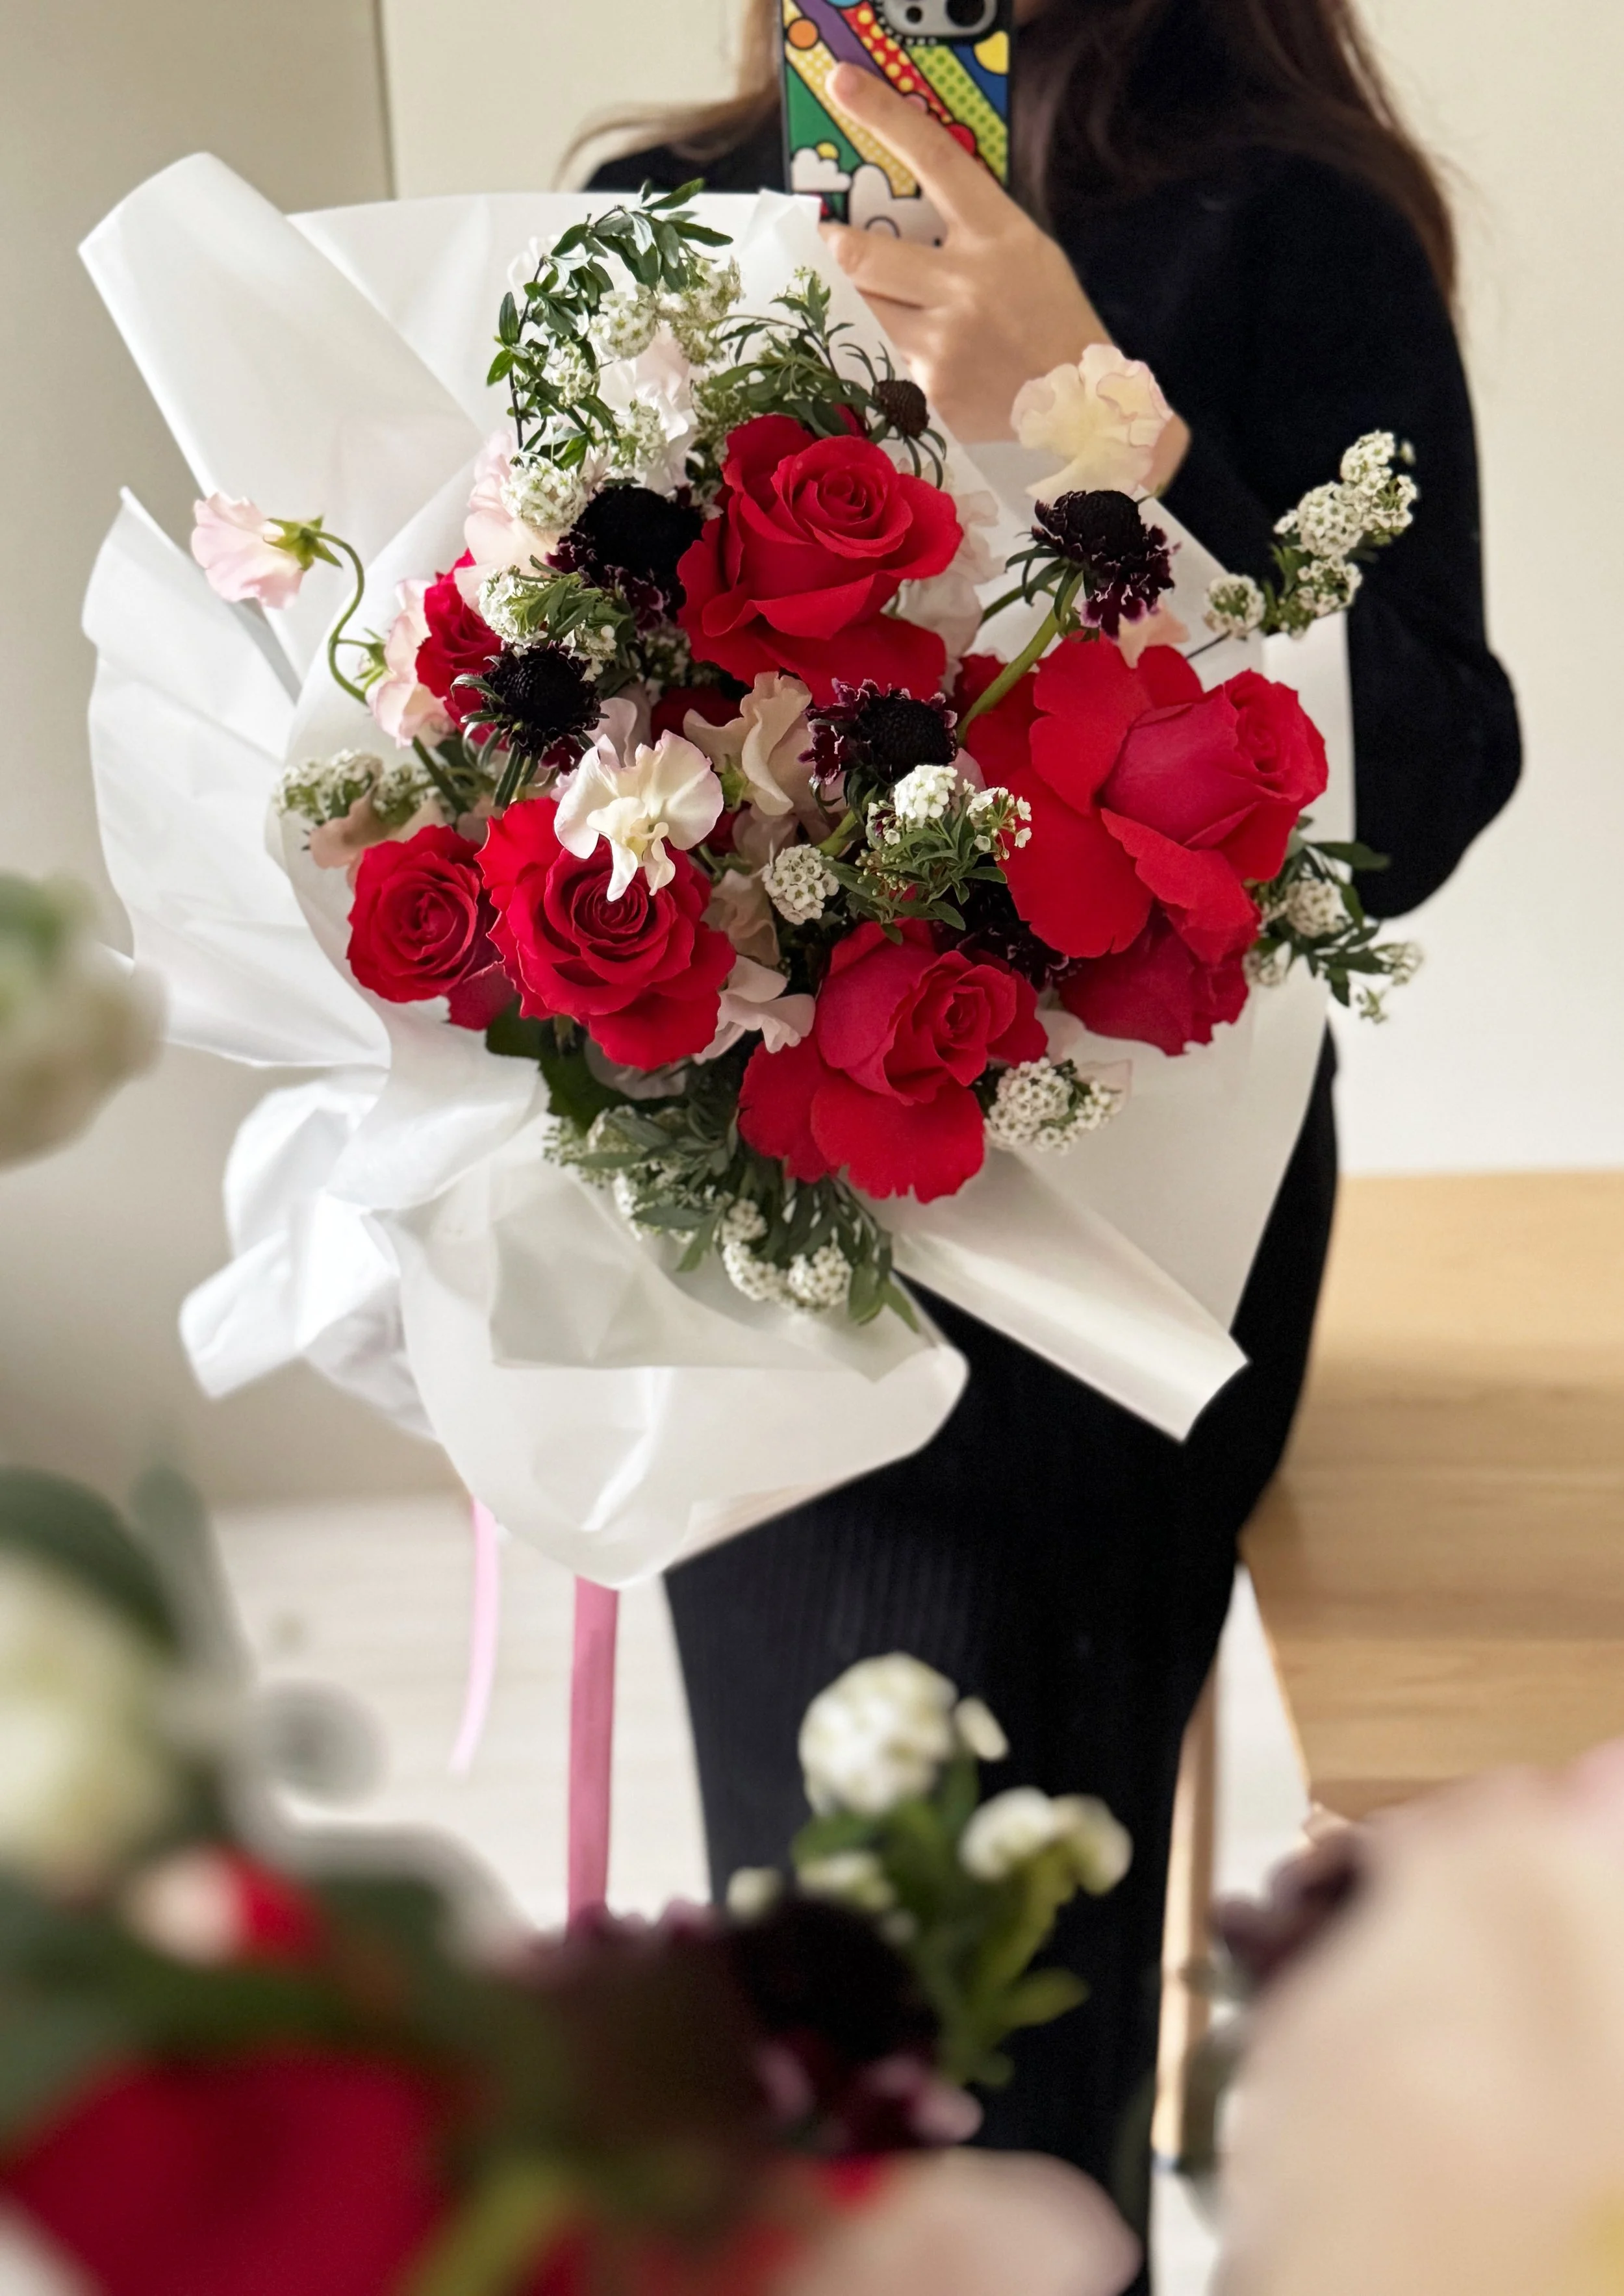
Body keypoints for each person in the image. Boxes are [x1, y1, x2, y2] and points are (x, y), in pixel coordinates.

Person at [590, 0, 1520, 2271]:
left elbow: (1420, 777)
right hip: (744, 1198)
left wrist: (1086, 422)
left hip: (1113, 1235)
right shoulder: (654, 215)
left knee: (968, 1982)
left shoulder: (1278, 223)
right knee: (820, 1962)